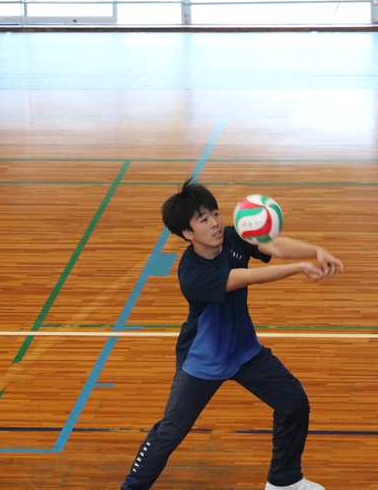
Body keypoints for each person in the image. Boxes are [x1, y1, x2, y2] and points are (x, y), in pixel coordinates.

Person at [121, 178, 344, 490]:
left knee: (294, 403)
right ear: (187, 233)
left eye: (215, 213)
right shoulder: (192, 274)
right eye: (203, 219)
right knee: (171, 431)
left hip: (244, 351)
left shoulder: (231, 237)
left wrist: (315, 250)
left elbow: (274, 245)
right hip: (203, 361)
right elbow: (245, 277)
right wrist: (298, 268)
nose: (215, 222)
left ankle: (284, 481)